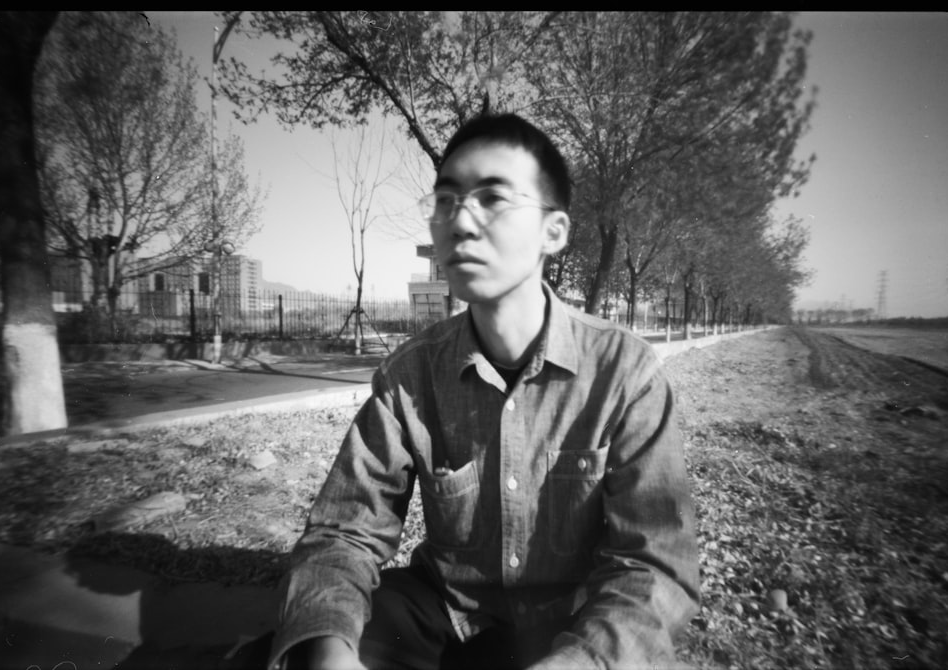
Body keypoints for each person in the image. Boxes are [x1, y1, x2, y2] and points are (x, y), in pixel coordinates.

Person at [266, 112, 699, 670]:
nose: (460, 222)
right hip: (446, 611)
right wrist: (328, 651)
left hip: (570, 630)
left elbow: (657, 565)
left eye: (493, 198)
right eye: (446, 200)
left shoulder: (625, 374)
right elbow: (344, 531)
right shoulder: (410, 375)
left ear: (554, 232)